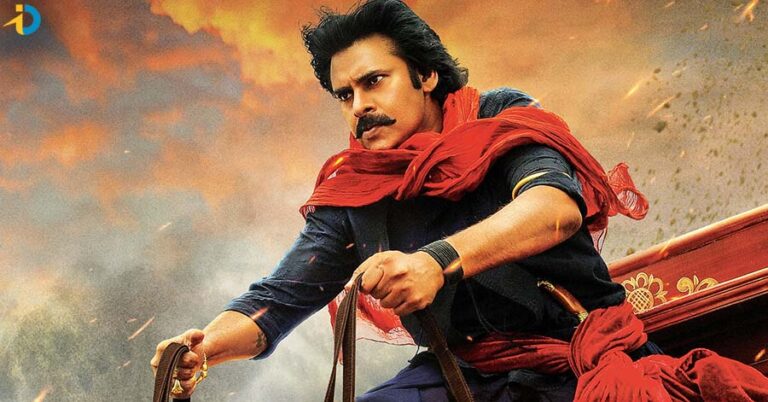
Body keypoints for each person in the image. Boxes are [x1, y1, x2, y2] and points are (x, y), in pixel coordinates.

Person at [151, 1, 768, 401]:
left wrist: (436, 261)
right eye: (344, 95)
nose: (359, 105)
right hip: (462, 378)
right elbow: (276, 302)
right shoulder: (354, 188)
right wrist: (205, 347)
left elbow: (556, 208)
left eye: (373, 81)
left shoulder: (502, 118)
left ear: (425, 76)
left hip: (582, 360)